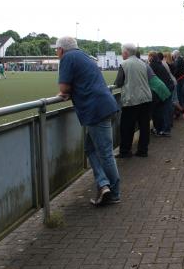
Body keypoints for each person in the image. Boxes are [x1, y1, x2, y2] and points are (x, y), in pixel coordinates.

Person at [56, 36, 121, 206]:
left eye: (56, 50)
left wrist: (66, 92)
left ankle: (113, 192)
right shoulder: (84, 56)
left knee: (105, 153)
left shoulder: (67, 58)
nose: (57, 53)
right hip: (105, 106)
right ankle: (103, 184)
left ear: (61, 49)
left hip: (95, 110)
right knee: (91, 149)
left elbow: (63, 88)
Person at [114, 43, 154, 158]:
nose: (122, 54)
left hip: (132, 99)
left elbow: (118, 83)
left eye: (122, 52)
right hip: (146, 98)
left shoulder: (124, 64)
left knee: (127, 127)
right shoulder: (143, 63)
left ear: (126, 53)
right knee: (144, 126)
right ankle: (143, 150)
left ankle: (125, 151)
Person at [148, 51, 175, 137]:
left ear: (151, 57)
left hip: (163, 88)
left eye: (148, 56)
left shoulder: (152, 65)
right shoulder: (159, 63)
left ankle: (162, 129)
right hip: (167, 86)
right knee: (164, 109)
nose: (148, 58)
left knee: (160, 110)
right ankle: (164, 128)